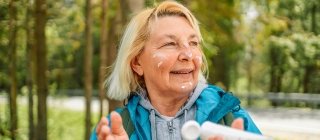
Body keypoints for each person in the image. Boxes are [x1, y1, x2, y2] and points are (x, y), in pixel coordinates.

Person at [91, 1, 261, 140]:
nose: (188, 54)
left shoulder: (232, 121)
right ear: (137, 63)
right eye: (170, 44)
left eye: (193, 43)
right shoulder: (114, 130)